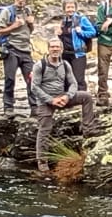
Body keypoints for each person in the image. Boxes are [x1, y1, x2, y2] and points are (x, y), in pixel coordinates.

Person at [30, 37, 97, 173]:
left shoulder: (65, 64)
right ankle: (42, 162)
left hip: (62, 97)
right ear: (48, 49)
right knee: (44, 130)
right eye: (52, 47)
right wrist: (51, 100)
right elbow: (34, 88)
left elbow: (73, 83)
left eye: (57, 47)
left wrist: (67, 96)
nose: (55, 49)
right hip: (45, 102)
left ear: (61, 49)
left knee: (87, 97)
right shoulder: (39, 65)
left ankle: (88, 129)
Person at [0, 0, 35, 116]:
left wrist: (31, 23)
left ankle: (34, 107)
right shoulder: (7, 12)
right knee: (10, 79)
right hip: (12, 48)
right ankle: (8, 107)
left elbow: (30, 31)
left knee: (32, 79)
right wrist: (15, 25)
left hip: (26, 49)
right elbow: (0, 32)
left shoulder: (28, 11)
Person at [58, 0, 98, 90]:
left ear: (75, 8)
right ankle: (69, 100)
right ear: (64, 9)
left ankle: (82, 100)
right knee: (66, 79)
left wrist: (81, 32)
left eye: (72, 7)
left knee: (78, 79)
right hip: (65, 54)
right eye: (68, 7)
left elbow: (93, 32)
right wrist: (59, 34)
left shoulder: (81, 19)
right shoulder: (63, 21)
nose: (70, 9)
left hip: (78, 54)